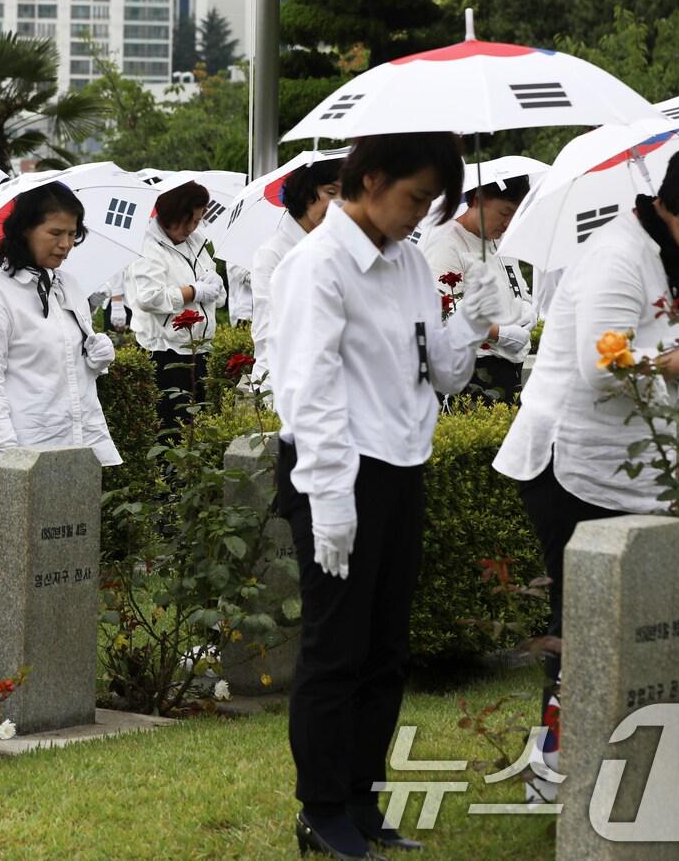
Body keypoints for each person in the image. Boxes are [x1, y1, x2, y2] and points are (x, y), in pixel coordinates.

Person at [493, 137, 679, 800]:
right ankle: (553, 774)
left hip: (633, 467)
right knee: (582, 624)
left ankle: (624, 766)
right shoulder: (618, 255)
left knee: (630, 624)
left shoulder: (672, 255)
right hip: (573, 467)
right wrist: (674, 360)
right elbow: (601, 366)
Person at [272, 133, 507, 859]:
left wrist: (470, 319)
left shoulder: (408, 261)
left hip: (401, 465)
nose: (419, 215)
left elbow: (440, 371)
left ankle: (362, 800)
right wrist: (330, 499)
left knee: (385, 648)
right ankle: (321, 811)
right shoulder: (317, 265)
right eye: (415, 197)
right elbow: (309, 390)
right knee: (335, 647)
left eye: (432, 203)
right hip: (335, 469)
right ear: (370, 179)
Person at [0, 182, 122, 496]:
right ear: (25, 230)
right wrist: (8, 456)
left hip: (76, 444)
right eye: (55, 233)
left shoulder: (67, 285)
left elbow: (68, 362)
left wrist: (95, 358)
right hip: (25, 449)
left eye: (72, 234)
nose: (66, 244)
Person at [423, 175, 536, 401]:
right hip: (471, 371)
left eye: (515, 215)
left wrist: (526, 310)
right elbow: (442, 312)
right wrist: (499, 332)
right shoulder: (447, 243)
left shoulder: (499, 241)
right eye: (504, 213)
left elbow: (515, 287)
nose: (507, 224)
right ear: (477, 199)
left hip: (508, 367)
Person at [124, 181, 225, 433]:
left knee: (199, 425)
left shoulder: (196, 242)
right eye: (187, 221)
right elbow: (149, 297)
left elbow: (217, 297)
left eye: (197, 221)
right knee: (173, 427)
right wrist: (193, 291)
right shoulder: (148, 246)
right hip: (166, 353)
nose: (192, 228)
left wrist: (216, 285)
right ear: (170, 216)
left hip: (199, 347)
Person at [250, 157, 343, 396]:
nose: (338, 204)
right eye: (330, 192)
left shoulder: (336, 248)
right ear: (305, 192)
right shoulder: (272, 254)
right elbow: (267, 332)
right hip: (284, 386)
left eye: (345, 195)